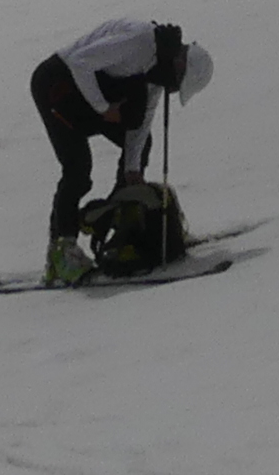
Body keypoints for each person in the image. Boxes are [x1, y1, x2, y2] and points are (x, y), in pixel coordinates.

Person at [32, 19, 213, 282]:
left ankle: (122, 226)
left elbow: (142, 122)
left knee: (139, 147)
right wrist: (104, 108)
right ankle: (61, 252)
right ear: (179, 65)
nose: (171, 91)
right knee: (77, 168)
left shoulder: (157, 69)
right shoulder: (140, 42)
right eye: (176, 86)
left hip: (92, 94)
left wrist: (132, 169)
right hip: (57, 84)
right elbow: (80, 62)